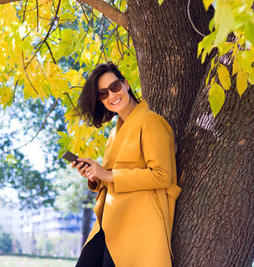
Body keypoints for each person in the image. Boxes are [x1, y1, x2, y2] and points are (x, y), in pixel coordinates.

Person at [71, 62, 181, 267]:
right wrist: (95, 177)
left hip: (137, 223)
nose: (112, 96)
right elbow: (110, 176)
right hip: (109, 221)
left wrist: (108, 176)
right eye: (103, 94)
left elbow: (162, 175)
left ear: (126, 84)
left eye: (114, 87)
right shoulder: (114, 133)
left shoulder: (151, 122)